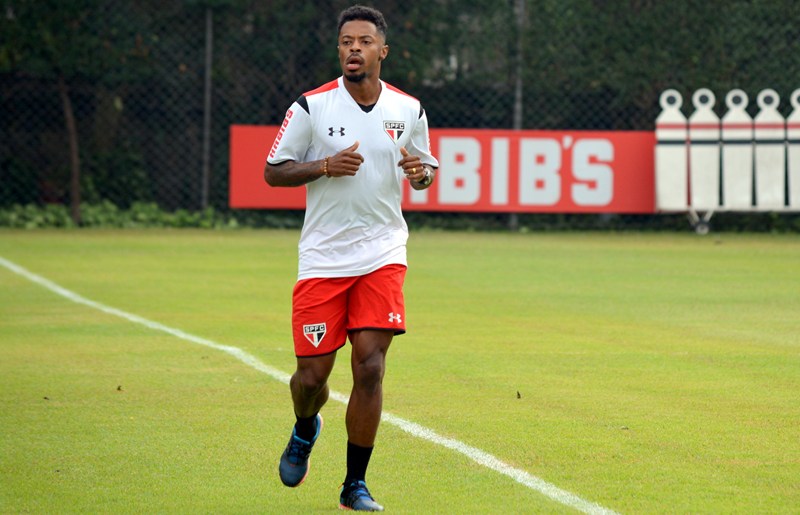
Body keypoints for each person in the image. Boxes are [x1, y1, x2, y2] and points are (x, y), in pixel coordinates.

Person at [263, 5, 438, 512]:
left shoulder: (408, 109)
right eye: (345, 42)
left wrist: (421, 175)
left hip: (383, 250)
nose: (353, 49)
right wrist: (322, 165)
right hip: (323, 257)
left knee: (370, 366)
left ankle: (354, 485)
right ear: (339, 49)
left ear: (383, 51)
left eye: (363, 41)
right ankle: (304, 427)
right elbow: (274, 172)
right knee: (312, 378)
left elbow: (423, 169)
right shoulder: (311, 107)